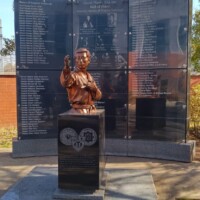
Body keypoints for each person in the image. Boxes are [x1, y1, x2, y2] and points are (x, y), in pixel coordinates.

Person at [60, 48, 102, 113]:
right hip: (79, 111)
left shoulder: (89, 76)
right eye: (78, 58)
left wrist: (94, 89)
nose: (81, 61)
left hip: (91, 110)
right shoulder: (73, 75)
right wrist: (66, 67)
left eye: (83, 58)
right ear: (75, 60)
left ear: (89, 60)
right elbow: (65, 83)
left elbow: (98, 97)